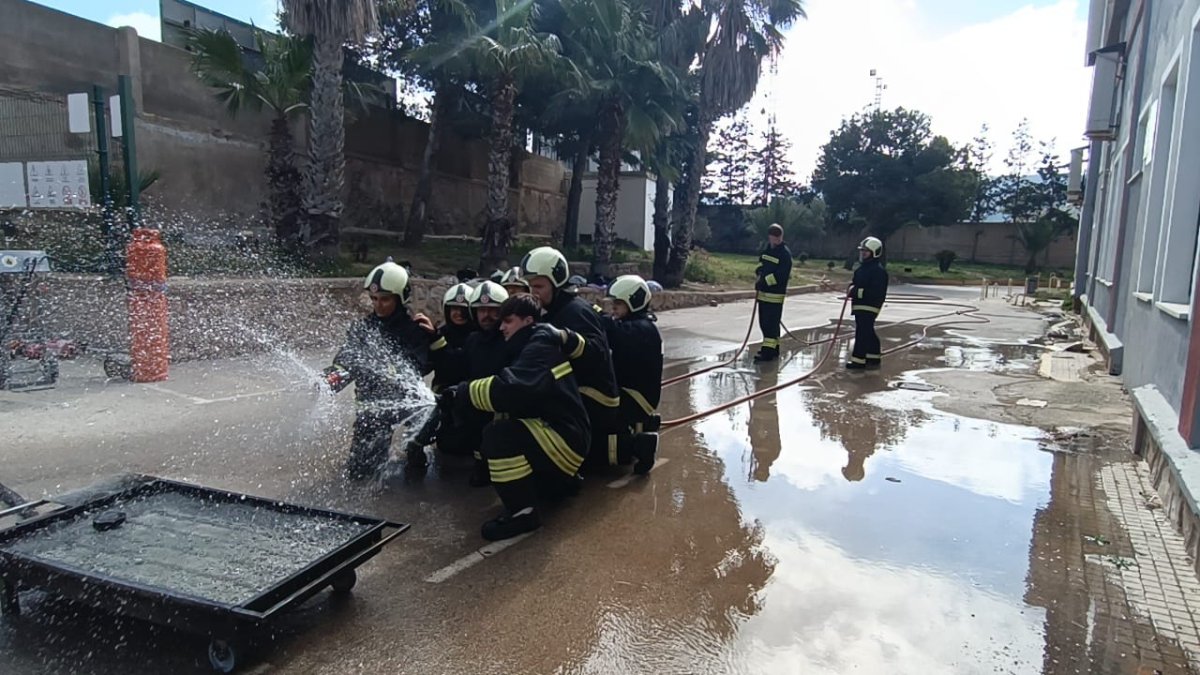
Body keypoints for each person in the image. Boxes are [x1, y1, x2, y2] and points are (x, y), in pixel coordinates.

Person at [440, 294, 590, 540]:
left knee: (499, 435)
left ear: (528, 320)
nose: (501, 327)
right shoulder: (531, 344)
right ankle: (558, 484)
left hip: (565, 440)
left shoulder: (538, 348)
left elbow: (511, 389)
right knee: (503, 423)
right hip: (563, 434)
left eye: (508, 321)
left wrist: (462, 393)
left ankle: (523, 513)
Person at [325, 262, 436, 478]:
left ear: (400, 298)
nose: (378, 305)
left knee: (430, 420)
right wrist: (329, 380)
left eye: (385, 299)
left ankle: (416, 448)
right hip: (373, 409)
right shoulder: (362, 328)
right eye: (374, 299)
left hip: (407, 405)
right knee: (360, 474)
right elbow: (346, 359)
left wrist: (389, 369)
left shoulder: (414, 329)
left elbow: (420, 365)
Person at [520, 246, 623, 471]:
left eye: (538, 286)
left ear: (556, 283)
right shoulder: (554, 310)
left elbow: (597, 352)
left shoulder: (576, 311)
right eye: (530, 287)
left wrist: (565, 338)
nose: (532, 292)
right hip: (575, 390)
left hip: (595, 398)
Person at [600, 275, 661, 474]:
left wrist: (595, 316)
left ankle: (639, 445)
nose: (613, 309)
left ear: (633, 302)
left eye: (618, 304)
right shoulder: (640, 324)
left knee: (598, 424)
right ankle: (645, 424)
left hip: (635, 396)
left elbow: (615, 333)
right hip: (637, 394)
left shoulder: (640, 329)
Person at [456, 280, 511, 483]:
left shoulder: (510, 339)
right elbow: (460, 368)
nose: (486, 315)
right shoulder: (472, 340)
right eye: (481, 310)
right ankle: (481, 463)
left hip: (502, 405)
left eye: (492, 310)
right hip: (475, 404)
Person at [847, 236, 888, 370]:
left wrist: (855, 292)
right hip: (859, 305)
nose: (863, 253)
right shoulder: (861, 269)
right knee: (867, 330)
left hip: (870, 306)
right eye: (862, 250)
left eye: (866, 251)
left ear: (875, 252)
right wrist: (851, 288)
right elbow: (855, 284)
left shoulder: (878, 272)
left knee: (862, 332)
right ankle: (873, 356)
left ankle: (858, 361)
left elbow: (874, 292)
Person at [753, 223, 792, 363]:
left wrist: (763, 282)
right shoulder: (768, 250)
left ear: (781, 237)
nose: (774, 240)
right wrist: (759, 271)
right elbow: (764, 265)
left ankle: (767, 353)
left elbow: (780, 276)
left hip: (775, 296)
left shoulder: (785, 254)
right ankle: (774, 349)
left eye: (777, 238)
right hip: (764, 294)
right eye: (772, 238)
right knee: (765, 323)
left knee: (770, 324)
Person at [430, 282, 474, 394]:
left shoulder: (478, 336)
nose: (458, 313)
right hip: (441, 391)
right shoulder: (440, 333)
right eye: (454, 308)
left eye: (463, 309)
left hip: (469, 393)